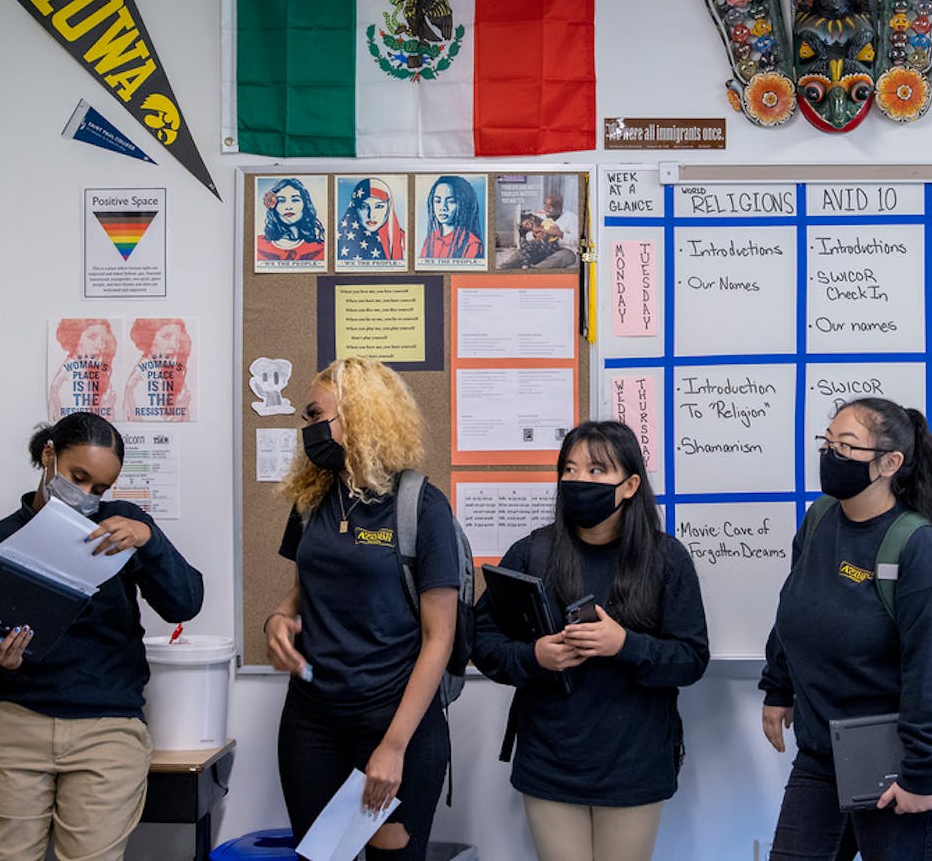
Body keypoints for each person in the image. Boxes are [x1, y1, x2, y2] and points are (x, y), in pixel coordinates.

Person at [0, 411, 204, 861]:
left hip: (106, 730)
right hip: (15, 726)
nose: (86, 496)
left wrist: (150, 539)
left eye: (100, 489)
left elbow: (184, 603)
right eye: (78, 477)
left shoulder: (119, 530)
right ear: (49, 456)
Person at [760, 397, 932, 861]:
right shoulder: (821, 517)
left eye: (846, 447)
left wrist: (921, 775)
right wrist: (778, 687)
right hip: (822, 752)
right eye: (827, 443)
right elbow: (795, 608)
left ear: (890, 463)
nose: (831, 456)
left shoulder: (918, 548)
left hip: (899, 762)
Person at [472, 420, 709, 861]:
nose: (579, 480)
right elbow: (482, 640)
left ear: (630, 484)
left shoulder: (666, 558)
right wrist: (534, 655)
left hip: (634, 762)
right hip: (550, 759)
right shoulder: (531, 552)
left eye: (597, 470)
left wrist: (625, 644)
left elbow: (691, 659)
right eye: (570, 469)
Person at [266, 357, 460, 860]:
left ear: (361, 415)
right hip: (311, 720)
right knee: (320, 855)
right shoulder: (312, 500)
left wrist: (393, 746)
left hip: (394, 719)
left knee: (391, 856)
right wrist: (277, 620)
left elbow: (440, 637)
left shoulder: (422, 507)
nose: (307, 429)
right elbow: (302, 591)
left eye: (314, 415)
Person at [121, 317, 194, 423]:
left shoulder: (168, 374)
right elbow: (152, 431)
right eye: (166, 337)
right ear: (148, 338)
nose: (174, 346)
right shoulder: (139, 380)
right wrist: (181, 407)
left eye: (178, 339)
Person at [47, 317, 118, 420]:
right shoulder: (66, 380)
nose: (100, 346)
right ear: (74, 339)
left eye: (103, 339)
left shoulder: (94, 373)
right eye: (92, 337)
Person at [256, 176, 326, 262]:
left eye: (295, 200)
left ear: (305, 205)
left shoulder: (322, 248)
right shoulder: (257, 244)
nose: (288, 207)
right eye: (281, 201)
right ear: (273, 206)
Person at [339, 177, 405, 262]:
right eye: (363, 207)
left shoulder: (404, 241)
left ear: (389, 207)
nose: (371, 215)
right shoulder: (341, 240)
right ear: (354, 207)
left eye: (379, 206)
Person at [418, 175, 483, 260]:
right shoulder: (431, 239)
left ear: (463, 205)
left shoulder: (472, 244)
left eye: (451, 201)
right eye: (437, 201)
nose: (443, 207)